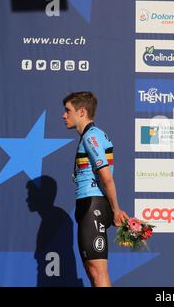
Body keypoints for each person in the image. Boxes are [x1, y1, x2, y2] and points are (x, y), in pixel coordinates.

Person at [62, 91, 129, 287]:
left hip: (94, 205)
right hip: (89, 204)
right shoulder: (90, 136)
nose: (63, 115)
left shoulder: (91, 137)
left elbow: (106, 178)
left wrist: (116, 210)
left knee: (98, 272)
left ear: (82, 112)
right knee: (93, 272)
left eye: (68, 111)